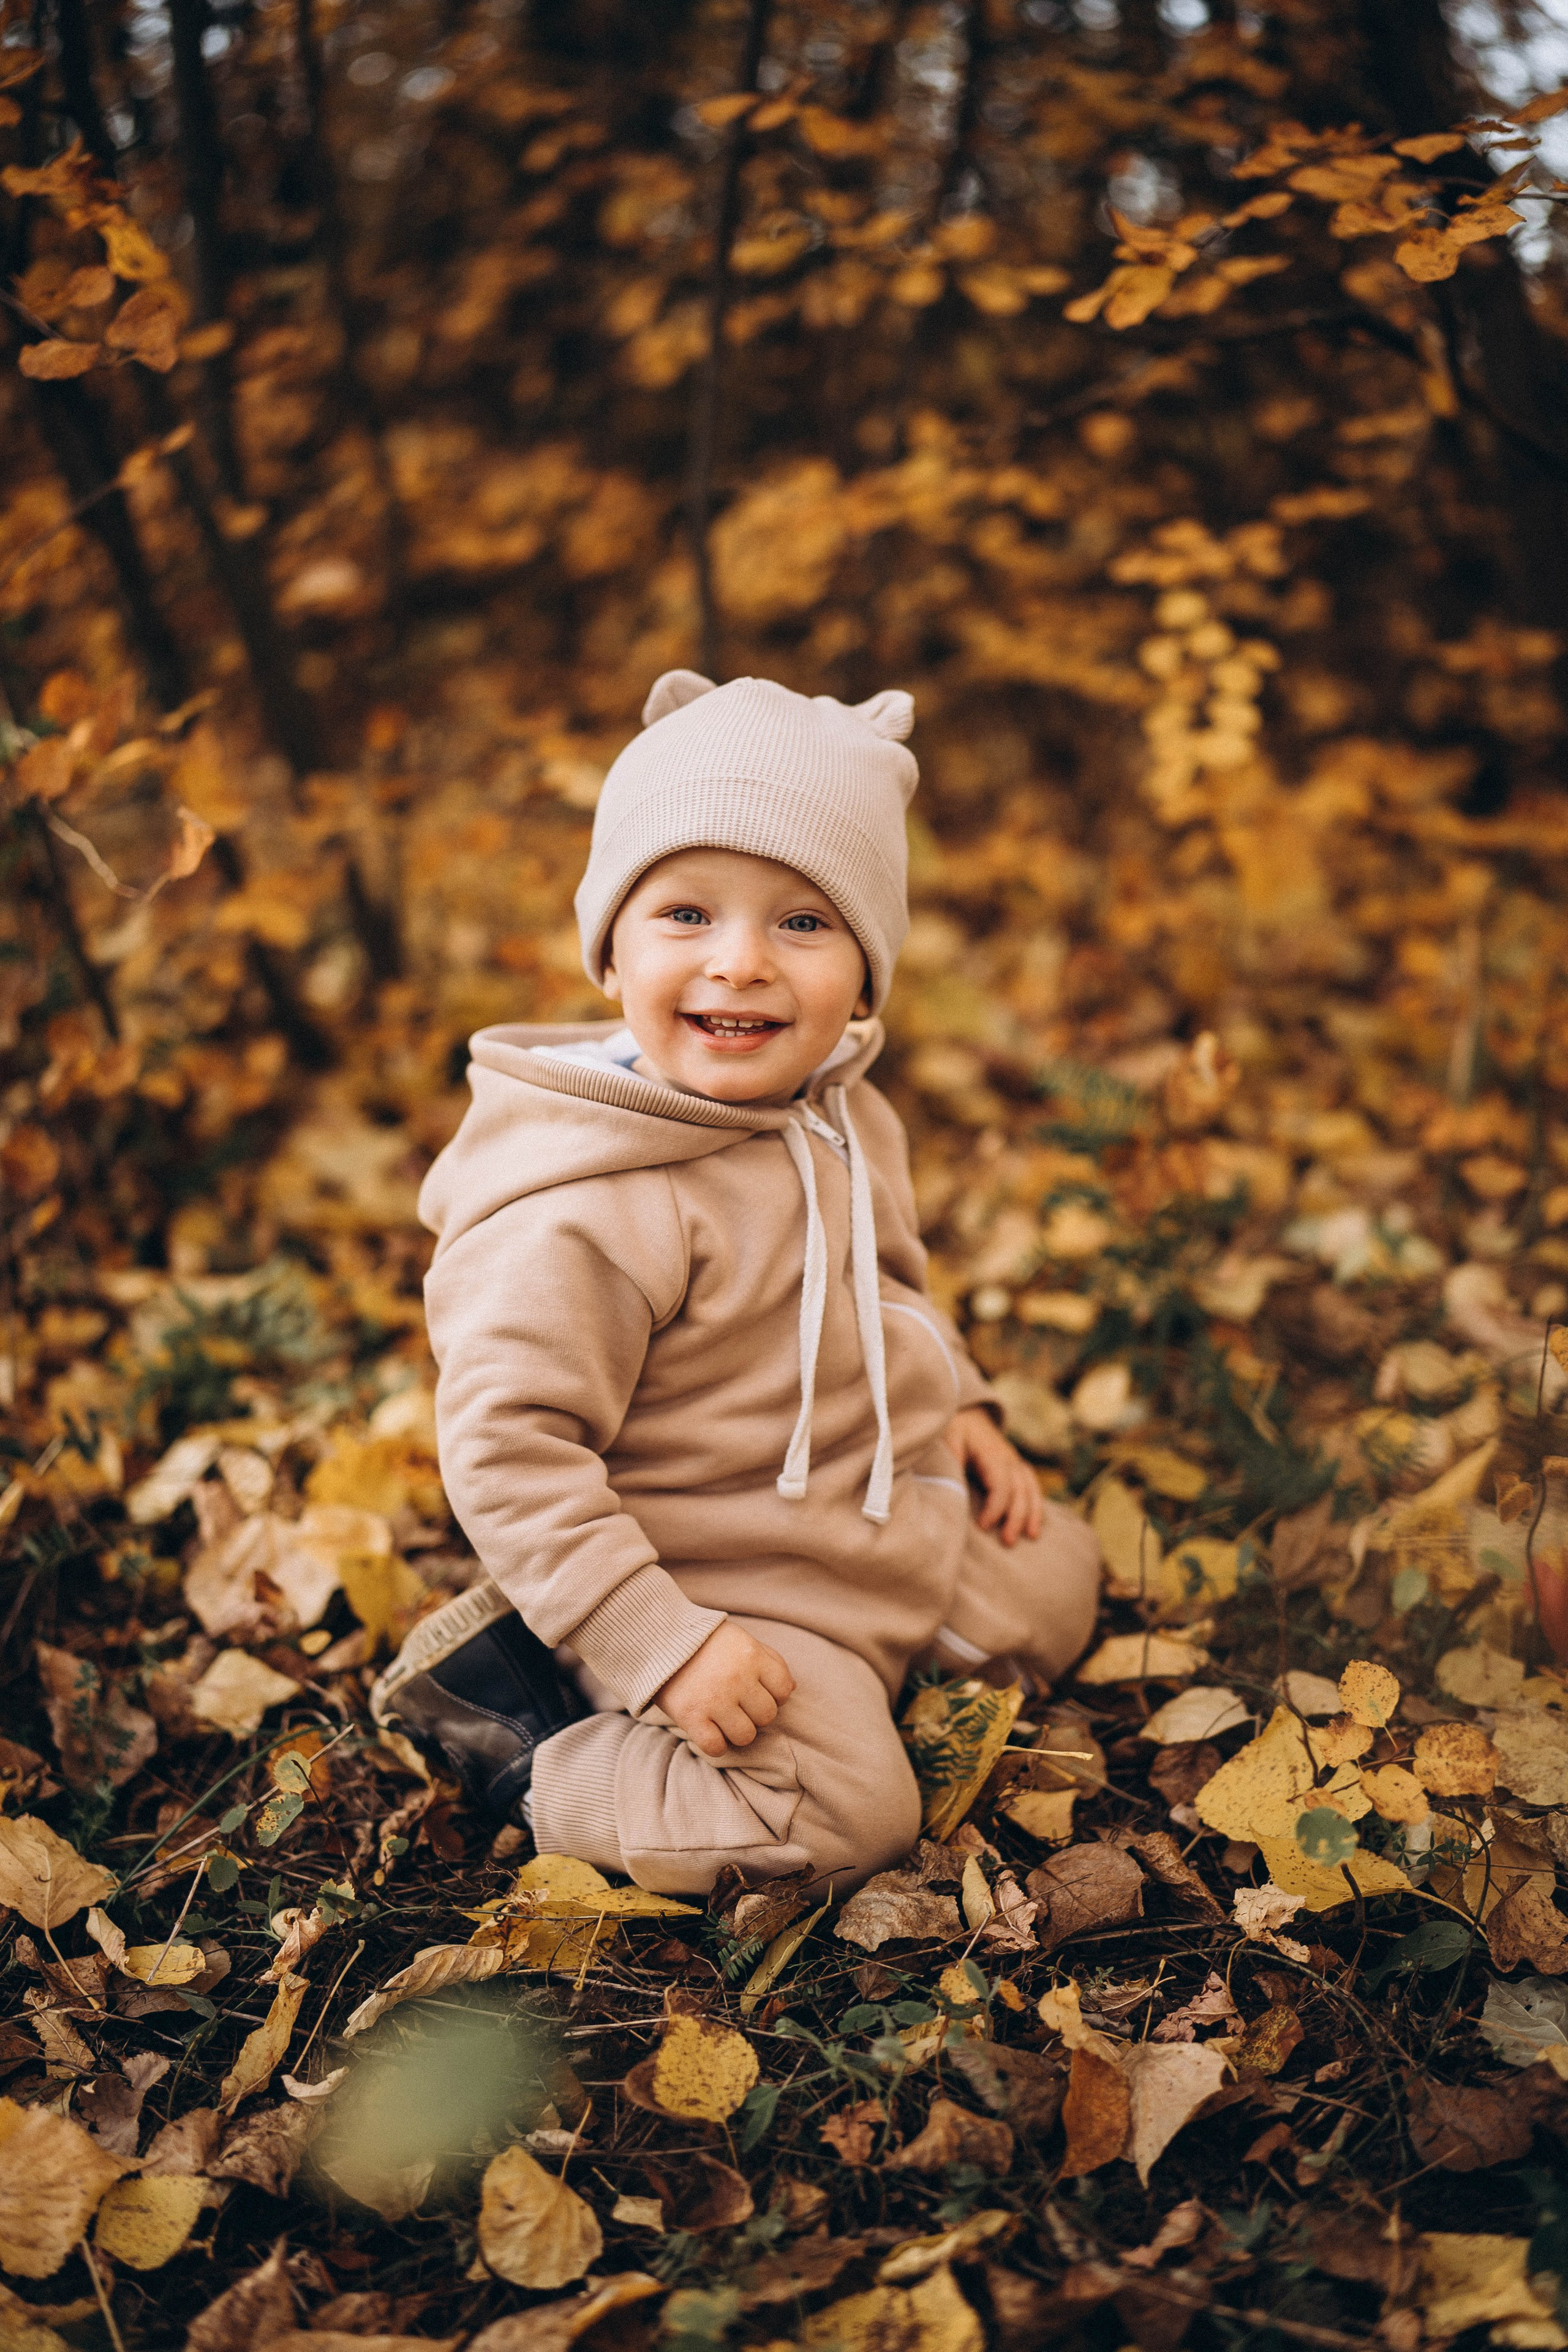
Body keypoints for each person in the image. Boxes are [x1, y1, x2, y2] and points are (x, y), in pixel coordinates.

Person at [371, 670, 1101, 1893]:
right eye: (687, 915)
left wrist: (960, 1405)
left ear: (864, 980)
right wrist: (666, 1646)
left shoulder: (846, 1113)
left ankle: (891, 1657)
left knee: (1059, 1578)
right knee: (840, 1820)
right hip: (711, 1584)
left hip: (862, 1517)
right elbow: (508, 1451)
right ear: (610, 951)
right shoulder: (584, 1209)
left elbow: (893, 1283)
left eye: (803, 924)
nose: (741, 964)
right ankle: (527, 1742)